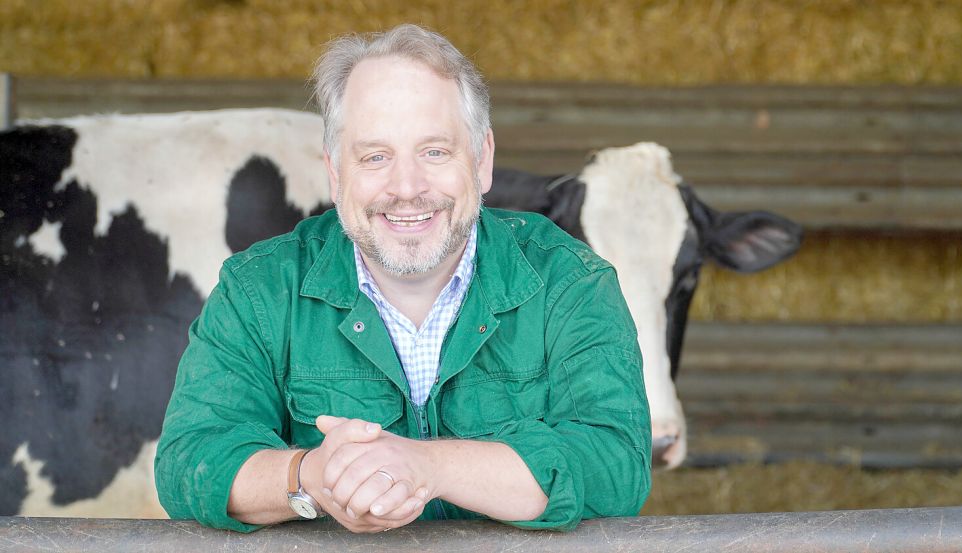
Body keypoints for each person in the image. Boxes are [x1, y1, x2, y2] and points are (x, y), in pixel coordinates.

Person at [154, 23, 651, 534]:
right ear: (335, 172)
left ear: (482, 161)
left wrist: (428, 467)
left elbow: (615, 466)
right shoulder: (259, 289)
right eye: (375, 157)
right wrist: (314, 478)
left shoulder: (571, 284)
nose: (406, 187)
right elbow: (191, 461)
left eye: (434, 152)